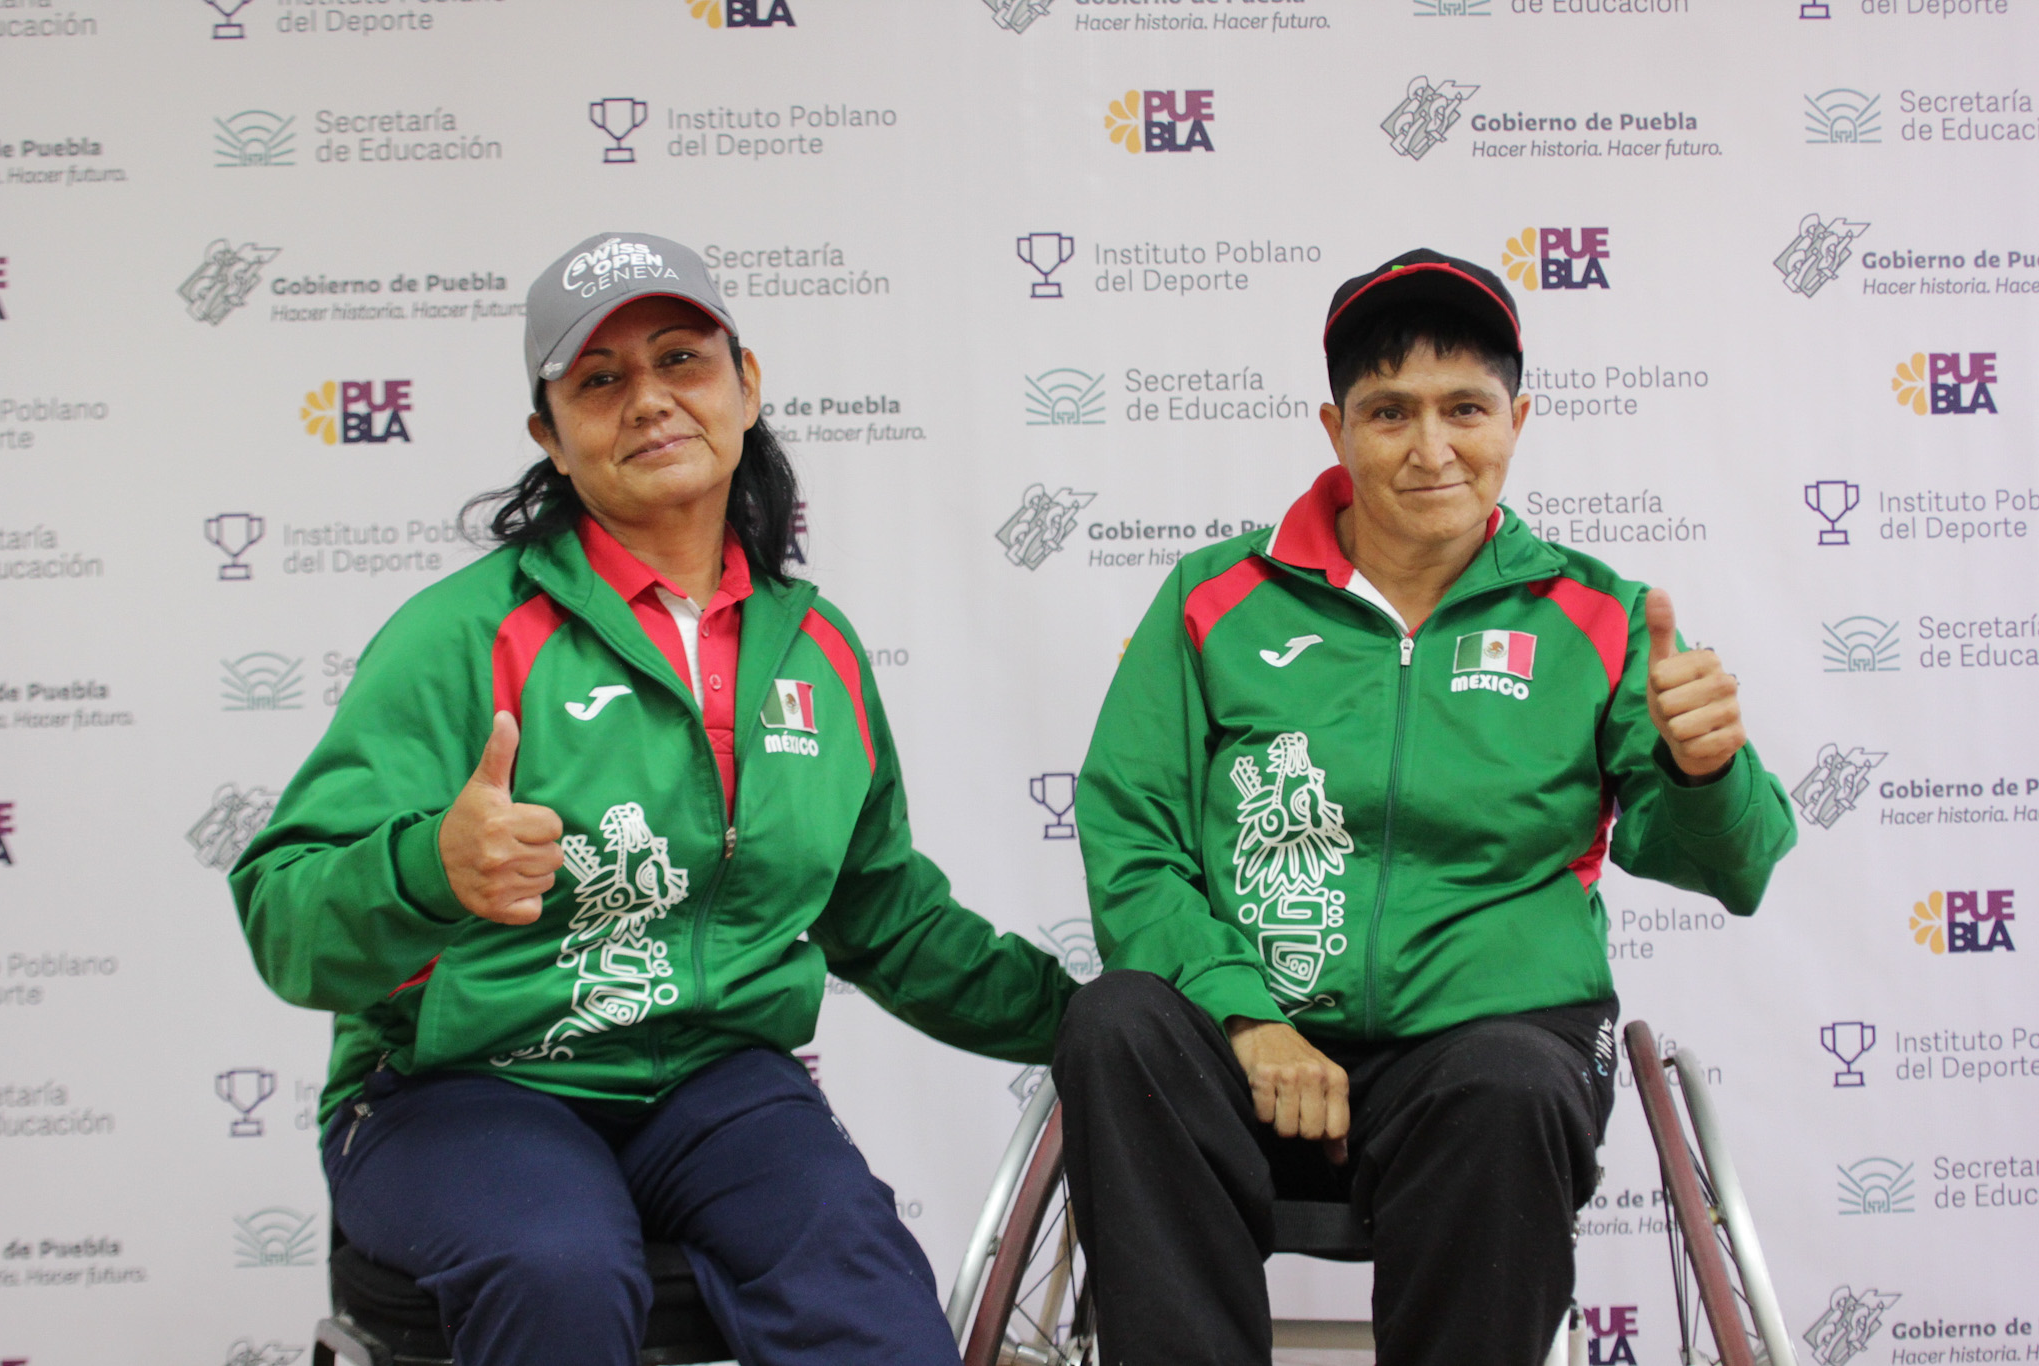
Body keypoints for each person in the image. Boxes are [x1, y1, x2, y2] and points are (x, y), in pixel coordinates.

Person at [231, 231, 1076, 1366]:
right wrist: (428, 867)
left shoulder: (814, 648)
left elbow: (883, 916)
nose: (648, 400)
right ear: (549, 433)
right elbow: (285, 917)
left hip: (715, 1084)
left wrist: (1098, 1027)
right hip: (460, 1087)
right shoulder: (460, 637)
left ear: (745, 382)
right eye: (599, 379)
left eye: (680, 358)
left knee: (865, 1285)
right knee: (560, 1267)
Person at [1054, 249, 1798, 1366]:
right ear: (1333, 426)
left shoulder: (1597, 618)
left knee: (1503, 1083)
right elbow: (1132, 840)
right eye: (1388, 411)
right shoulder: (1215, 601)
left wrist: (1705, 773)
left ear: (1518, 416)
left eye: (1464, 408)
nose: (1430, 447)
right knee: (1113, 1022)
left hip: (1488, 1051)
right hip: (1254, 1042)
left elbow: (1730, 869)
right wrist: (1249, 1020)